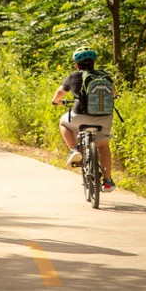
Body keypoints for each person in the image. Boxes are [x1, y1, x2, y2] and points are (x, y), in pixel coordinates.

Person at [51, 47, 117, 192]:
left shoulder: (73, 76)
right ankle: (107, 181)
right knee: (103, 145)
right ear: (94, 62)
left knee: (63, 122)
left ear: (77, 64)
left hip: (79, 117)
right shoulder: (104, 76)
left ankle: (74, 149)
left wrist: (56, 101)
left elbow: (60, 92)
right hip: (104, 118)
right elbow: (113, 94)